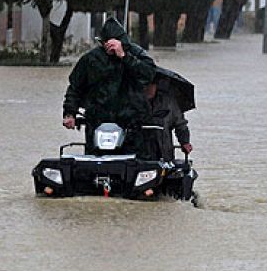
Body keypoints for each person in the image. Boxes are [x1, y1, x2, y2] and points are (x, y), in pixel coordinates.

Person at [63, 17, 156, 155]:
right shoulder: (90, 59)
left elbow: (149, 74)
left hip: (130, 123)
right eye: (105, 43)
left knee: (132, 163)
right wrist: (70, 113)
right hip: (97, 121)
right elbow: (75, 87)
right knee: (94, 163)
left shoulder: (137, 54)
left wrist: (125, 57)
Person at [144, 76, 192, 162]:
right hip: (137, 152)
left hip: (164, 151)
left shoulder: (168, 102)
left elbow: (180, 124)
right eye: (144, 85)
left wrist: (185, 142)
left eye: (150, 85)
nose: (147, 88)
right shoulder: (129, 101)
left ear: (156, 85)